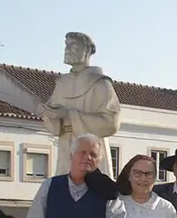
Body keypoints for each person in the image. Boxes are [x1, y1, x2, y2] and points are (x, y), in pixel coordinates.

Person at [41, 32, 120, 176]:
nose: (67, 49)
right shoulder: (61, 83)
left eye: (73, 45)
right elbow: (53, 122)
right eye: (66, 45)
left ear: (86, 51)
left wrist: (70, 116)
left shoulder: (100, 83)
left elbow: (111, 123)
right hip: (66, 149)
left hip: (92, 152)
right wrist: (51, 115)